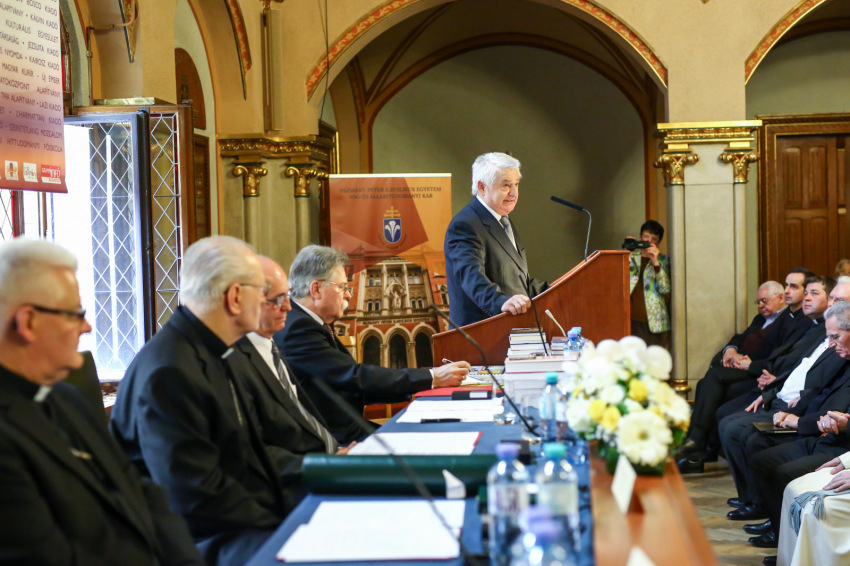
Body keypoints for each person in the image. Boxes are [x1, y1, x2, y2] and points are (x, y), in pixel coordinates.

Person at [0, 238, 203, 565]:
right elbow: (48, 558)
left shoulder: (70, 399)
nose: (87, 326)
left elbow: (141, 491)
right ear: (28, 322)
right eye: (74, 314)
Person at [110, 236, 296, 565]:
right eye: (262, 289)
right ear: (235, 297)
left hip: (233, 521)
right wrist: (284, 524)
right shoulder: (170, 371)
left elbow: (245, 456)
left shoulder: (215, 350)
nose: (267, 299)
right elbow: (195, 496)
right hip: (191, 542)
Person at [274, 245, 471, 443]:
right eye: (342, 287)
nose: (348, 295)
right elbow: (354, 377)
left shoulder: (309, 322)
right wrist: (431, 377)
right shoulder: (297, 328)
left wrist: (423, 385)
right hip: (334, 441)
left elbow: (353, 385)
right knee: (433, 442)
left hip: (347, 430)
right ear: (316, 289)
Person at [233, 256, 355, 491]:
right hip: (297, 479)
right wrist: (325, 463)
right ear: (240, 300)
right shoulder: (237, 359)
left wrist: (334, 453)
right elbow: (251, 451)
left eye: (287, 297)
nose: (288, 307)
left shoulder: (270, 346)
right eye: (277, 299)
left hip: (328, 452)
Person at [444, 152, 548, 327]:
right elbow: (472, 278)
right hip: (481, 333)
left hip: (509, 330)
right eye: (506, 185)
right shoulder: (466, 224)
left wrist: (561, 289)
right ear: (482, 187)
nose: (514, 193)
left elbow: (518, 281)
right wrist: (502, 302)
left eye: (516, 184)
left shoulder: (503, 220)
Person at [627, 220, 671, 349]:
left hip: (655, 321)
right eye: (646, 236)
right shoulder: (630, 258)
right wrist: (627, 251)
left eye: (654, 238)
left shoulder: (664, 260)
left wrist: (656, 263)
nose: (649, 241)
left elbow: (665, 289)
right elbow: (618, 281)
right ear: (640, 237)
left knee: (653, 357)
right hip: (631, 319)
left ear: (658, 242)